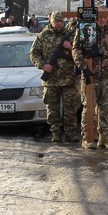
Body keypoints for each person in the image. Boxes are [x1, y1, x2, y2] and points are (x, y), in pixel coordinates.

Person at [73, 9, 108, 149]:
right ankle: (88, 137)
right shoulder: (86, 29)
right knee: (89, 106)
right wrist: (83, 67)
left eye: (105, 17)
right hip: (91, 74)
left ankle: (104, 136)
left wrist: (102, 51)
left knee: (106, 107)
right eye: (100, 17)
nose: (103, 20)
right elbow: (76, 49)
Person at [29, 11, 79, 142]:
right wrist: (43, 65)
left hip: (68, 78)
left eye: (61, 21)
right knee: (52, 109)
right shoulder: (43, 36)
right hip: (51, 80)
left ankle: (71, 133)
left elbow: (80, 52)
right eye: (56, 21)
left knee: (71, 108)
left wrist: (71, 47)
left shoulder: (71, 35)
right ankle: (56, 133)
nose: (59, 24)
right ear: (51, 21)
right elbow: (34, 54)